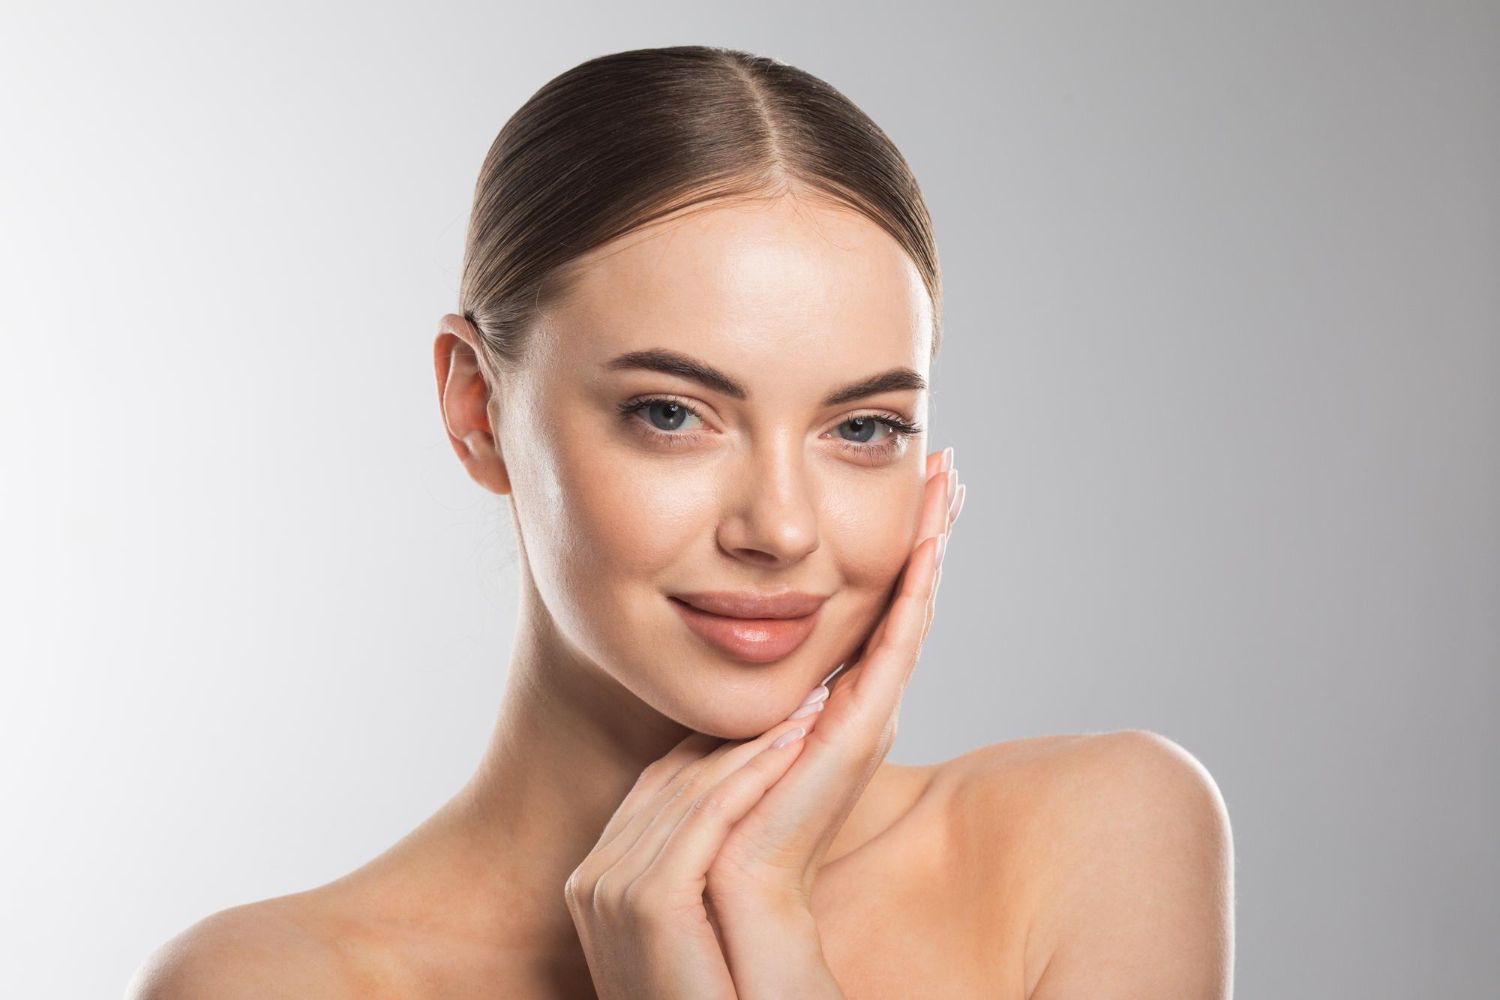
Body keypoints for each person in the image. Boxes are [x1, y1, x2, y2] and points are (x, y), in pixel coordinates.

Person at [128, 44, 1233, 998]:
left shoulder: (1089, 843)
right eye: (672, 413)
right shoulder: (268, 982)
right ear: (477, 408)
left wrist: (770, 934)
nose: (782, 528)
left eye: (863, 428)